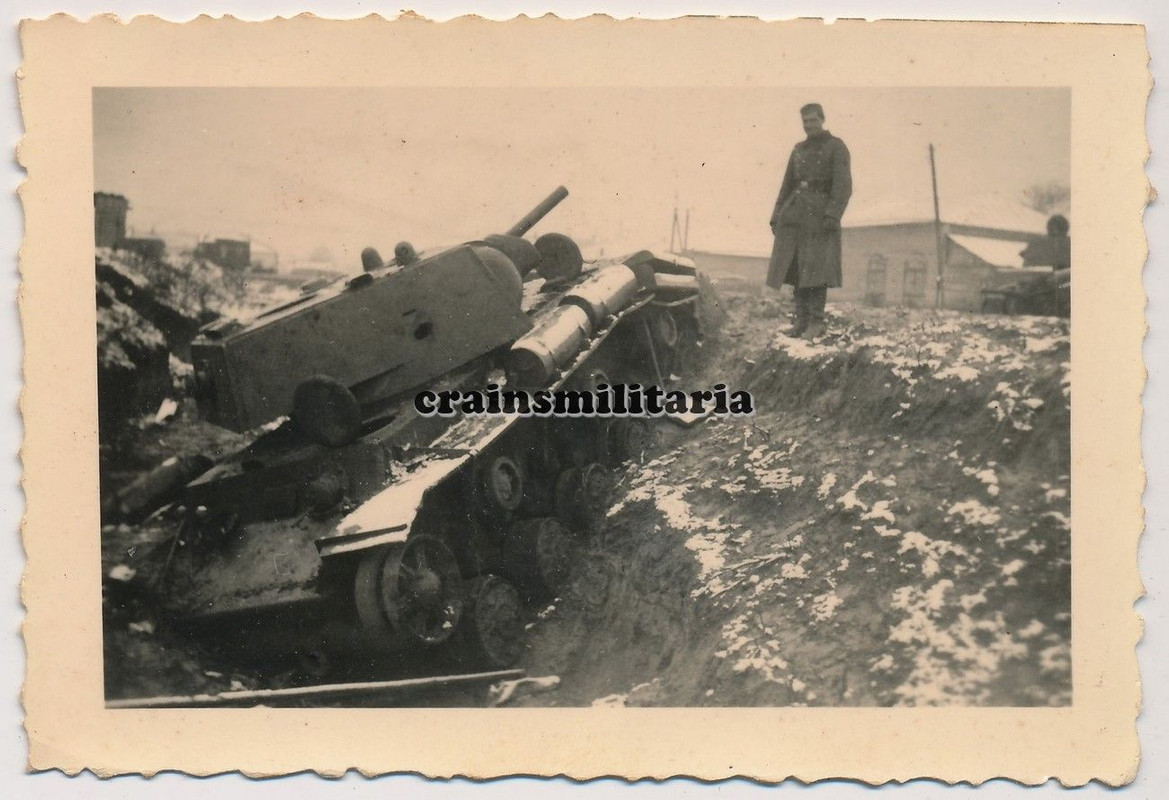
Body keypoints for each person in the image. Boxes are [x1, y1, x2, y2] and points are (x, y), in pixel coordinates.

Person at [766, 103, 853, 339]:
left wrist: (833, 214)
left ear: (822, 119)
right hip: (795, 215)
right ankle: (801, 320)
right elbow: (786, 185)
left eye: (813, 120)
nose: (809, 125)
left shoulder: (836, 146)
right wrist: (776, 216)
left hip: (820, 216)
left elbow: (843, 185)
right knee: (796, 268)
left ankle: (816, 321)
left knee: (816, 270)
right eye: (805, 122)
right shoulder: (798, 149)